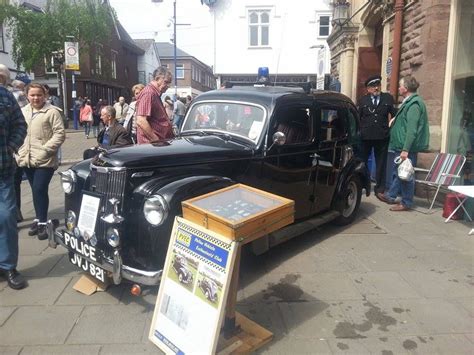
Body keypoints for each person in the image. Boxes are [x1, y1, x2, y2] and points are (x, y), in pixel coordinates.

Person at [17, 83, 65, 239]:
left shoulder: (52, 112)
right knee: (35, 190)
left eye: (39, 95)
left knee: (39, 188)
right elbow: (17, 131)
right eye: (32, 95)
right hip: (27, 158)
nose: (36, 98)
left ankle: (43, 222)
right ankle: (38, 218)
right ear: (27, 96)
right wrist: (17, 151)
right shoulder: (23, 111)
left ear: (45, 95)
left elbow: (59, 134)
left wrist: (46, 150)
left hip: (45, 160)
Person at [377, 75, 430, 211]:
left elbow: (412, 129)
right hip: (400, 146)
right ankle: (391, 196)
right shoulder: (409, 102)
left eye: (400, 85)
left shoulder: (414, 104)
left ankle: (406, 202)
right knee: (399, 172)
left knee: (406, 175)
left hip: (405, 148)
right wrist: (395, 119)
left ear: (405, 88)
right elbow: (406, 121)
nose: (399, 88)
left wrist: (406, 149)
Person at [0, 64, 28, 290]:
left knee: (8, 218)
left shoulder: (5, 96)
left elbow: (20, 124)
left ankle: (9, 266)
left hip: (3, 171)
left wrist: (11, 146)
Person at [358, 75, 396, 195]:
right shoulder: (363, 100)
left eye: (377, 85)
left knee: (381, 163)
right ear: (368, 89)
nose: (376, 88)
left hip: (382, 136)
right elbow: (358, 117)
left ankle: (380, 189)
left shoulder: (388, 98)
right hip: (366, 137)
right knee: (362, 162)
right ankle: (362, 184)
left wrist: (391, 127)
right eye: (373, 86)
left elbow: (395, 115)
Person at [135, 66, 175, 144]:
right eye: (166, 82)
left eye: (169, 83)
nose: (168, 86)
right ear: (157, 79)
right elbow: (141, 120)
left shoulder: (155, 94)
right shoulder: (149, 93)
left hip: (157, 145)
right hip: (152, 146)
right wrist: (156, 140)